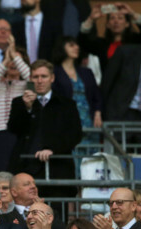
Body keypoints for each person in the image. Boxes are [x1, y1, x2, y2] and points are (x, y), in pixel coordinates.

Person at [8, 59, 82, 199]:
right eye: (35, 77)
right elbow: (13, 129)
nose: (39, 81)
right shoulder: (20, 102)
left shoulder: (66, 104)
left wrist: (53, 149)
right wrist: (28, 108)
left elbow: (75, 135)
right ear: (30, 79)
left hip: (58, 169)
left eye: (44, 76)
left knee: (57, 216)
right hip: (27, 169)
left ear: (52, 78)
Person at [52, 36, 102, 173]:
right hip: (68, 123)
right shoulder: (54, 72)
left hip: (88, 121)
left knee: (91, 166)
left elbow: (97, 96)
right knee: (73, 164)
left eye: (77, 45)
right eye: (71, 45)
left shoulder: (86, 72)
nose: (76, 47)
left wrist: (98, 112)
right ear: (62, 48)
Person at [0, 38, 30, 174]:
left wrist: (15, 56)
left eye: (17, 61)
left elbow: (31, 78)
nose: (13, 63)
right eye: (11, 60)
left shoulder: (26, 85)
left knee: (14, 172)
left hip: (17, 134)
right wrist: (5, 61)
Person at [79, 3, 141, 71]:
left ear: (127, 24)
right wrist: (91, 19)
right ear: (108, 24)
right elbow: (82, 41)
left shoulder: (135, 41)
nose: (116, 21)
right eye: (112, 18)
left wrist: (132, 13)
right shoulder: (101, 44)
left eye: (120, 18)